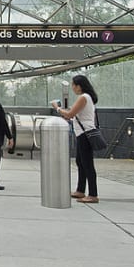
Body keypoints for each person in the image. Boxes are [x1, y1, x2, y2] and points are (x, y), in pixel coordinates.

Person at [53, 75, 100, 203]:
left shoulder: (83, 97)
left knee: (87, 164)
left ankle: (93, 194)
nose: (72, 87)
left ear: (79, 86)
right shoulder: (87, 97)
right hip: (82, 134)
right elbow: (75, 115)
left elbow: (69, 114)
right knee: (80, 162)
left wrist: (57, 108)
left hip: (85, 134)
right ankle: (80, 190)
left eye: (73, 85)